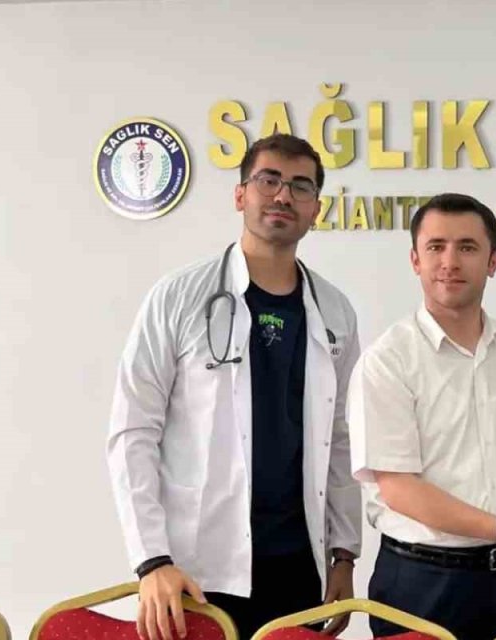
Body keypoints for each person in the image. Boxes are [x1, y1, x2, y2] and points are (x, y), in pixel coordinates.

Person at [108, 134, 362, 640]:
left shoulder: (335, 311)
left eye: (301, 186)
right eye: (269, 180)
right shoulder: (178, 297)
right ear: (241, 194)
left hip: (298, 565)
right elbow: (132, 431)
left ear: (316, 209)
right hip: (195, 568)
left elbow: (342, 439)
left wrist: (343, 554)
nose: (283, 195)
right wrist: (151, 559)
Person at [348, 193, 496, 640]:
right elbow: (398, 488)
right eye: (436, 247)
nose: (450, 261)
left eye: (467, 247)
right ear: (415, 260)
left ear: (493, 261)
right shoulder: (388, 360)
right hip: (421, 583)